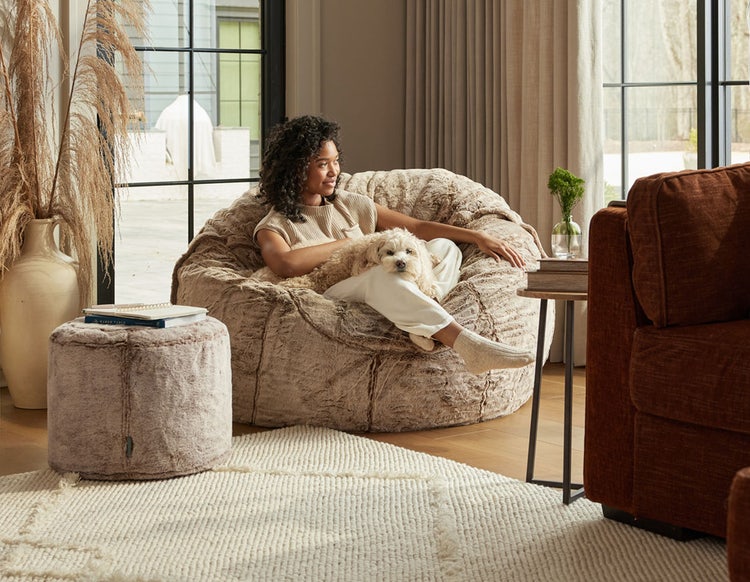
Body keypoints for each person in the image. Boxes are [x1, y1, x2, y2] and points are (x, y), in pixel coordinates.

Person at [254, 115, 534, 374]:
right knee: (379, 276)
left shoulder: (351, 204)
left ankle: (423, 323)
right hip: (334, 292)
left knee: (442, 248)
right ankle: (467, 345)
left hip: (386, 286)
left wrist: (476, 236)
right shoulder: (274, 225)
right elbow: (285, 263)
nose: (333, 172)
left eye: (336, 161)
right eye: (322, 164)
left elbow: (417, 228)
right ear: (295, 168)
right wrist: (355, 243)